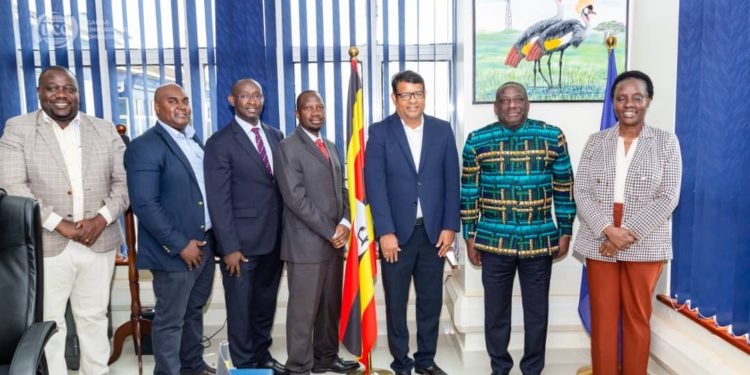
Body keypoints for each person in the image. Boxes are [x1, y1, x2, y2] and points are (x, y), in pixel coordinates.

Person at [0, 66, 129, 375]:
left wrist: (101, 218)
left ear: (77, 93)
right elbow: (13, 184)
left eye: (68, 88)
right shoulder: (18, 128)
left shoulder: (105, 128)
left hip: (99, 240)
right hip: (46, 243)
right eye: (52, 88)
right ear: (40, 93)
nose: (61, 94)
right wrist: (61, 224)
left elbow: (125, 182)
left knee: (95, 317)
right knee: (50, 323)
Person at [461, 82, 575, 375]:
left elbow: (564, 188)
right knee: (496, 313)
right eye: (505, 100)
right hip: (492, 241)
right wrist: (469, 235)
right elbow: (469, 193)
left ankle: (532, 370)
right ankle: (499, 367)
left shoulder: (552, 137)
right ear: (496, 106)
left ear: (527, 103)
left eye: (518, 99)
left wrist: (564, 230)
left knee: (537, 313)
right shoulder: (477, 140)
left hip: (538, 242)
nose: (512, 105)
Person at [572, 70, 681, 375]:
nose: (628, 104)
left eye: (637, 97)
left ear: (648, 101)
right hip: (599, 236)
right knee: (604, 318)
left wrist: (626, 233)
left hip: (645, 239)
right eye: (621, 98)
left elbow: (668, 195)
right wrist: (607, 229)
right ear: (614, 103)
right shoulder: (596, 142)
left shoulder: (665, 143)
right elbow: (581, 190)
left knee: (637, 317)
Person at [365, 70, 460, 375]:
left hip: (433, 234)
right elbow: (375, 185)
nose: (412, 100)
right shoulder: (380, 132)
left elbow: (451, 183)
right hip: (397, 235)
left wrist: (449, 227)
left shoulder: (442, 130)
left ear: (425, 95)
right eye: (405, 95)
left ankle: (425, 360)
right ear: (394, 98)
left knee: (430, 301)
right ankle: (401, 361)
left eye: (418, 93)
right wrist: (385, 232)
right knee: (396, 302)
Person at [125, 83, 216, 375]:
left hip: (205, 243)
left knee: (194, 311)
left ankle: (192, 365)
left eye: (185, 101)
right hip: (175, 251)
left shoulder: (193, 140)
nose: (182, 106)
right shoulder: (145, 146)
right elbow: (144, 204)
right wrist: (179, 245)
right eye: (172, 101)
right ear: (157, 107)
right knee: (170, 318)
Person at [274, 90, 359, 375]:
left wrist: (345, 223)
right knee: (303, 311)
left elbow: (342, 190)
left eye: (319, 106)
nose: (315, 112)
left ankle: (325, 359)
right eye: (308, 108)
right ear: (297, 114)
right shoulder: (288, 147)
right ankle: (298, 366)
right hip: (306, 244)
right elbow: (295, 199)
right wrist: (329, 231)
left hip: (334, 243)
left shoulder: (332, 146)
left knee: (328, 307)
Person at [204, 79, 285, 374]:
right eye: (244, 96)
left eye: (257, 95)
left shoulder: (276, 136)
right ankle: (246, 365)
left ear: (263, 99)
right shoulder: (220, 142)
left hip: (275, 241)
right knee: (240, 311)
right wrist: (229, 247)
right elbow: (218, 200)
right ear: (232, 100)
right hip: (240, 246)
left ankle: (262, 356)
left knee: (264, 305)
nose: (252, 101)